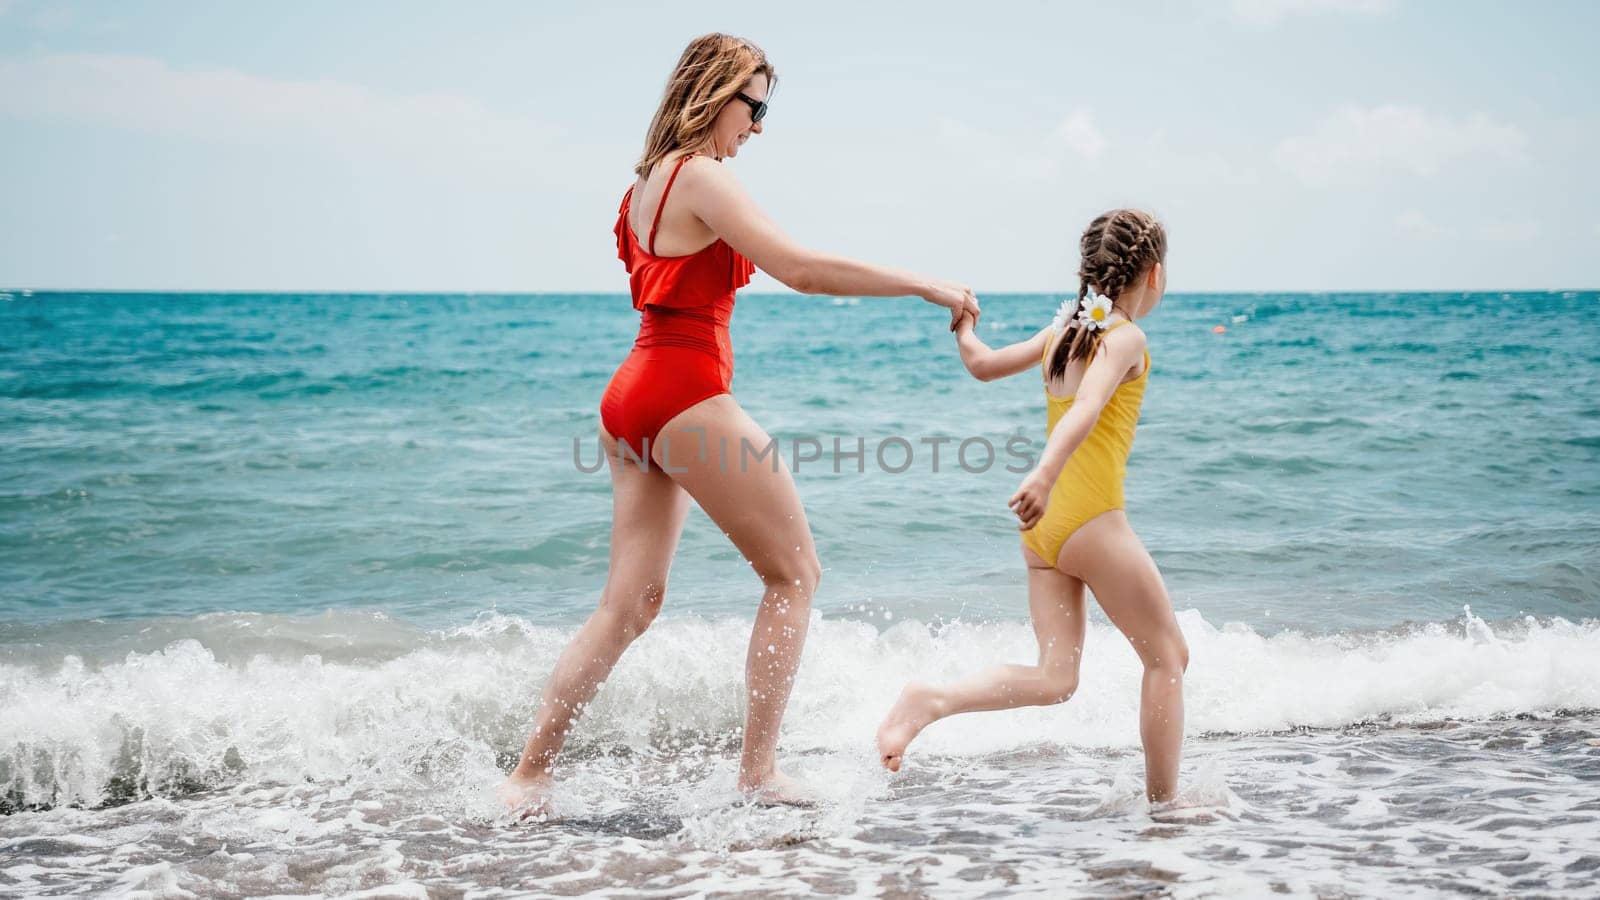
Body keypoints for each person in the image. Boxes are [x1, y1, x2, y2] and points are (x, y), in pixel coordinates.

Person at [501, 33, 980, 813]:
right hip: (684, 391)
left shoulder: (643, 188)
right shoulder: (702, 176)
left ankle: (529, 776)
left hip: (631, 398)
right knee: (794, 575)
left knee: (628, 607)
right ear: (714, 93)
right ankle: (758, 773)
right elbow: (803, 270)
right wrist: (923, 282)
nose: (756, 127)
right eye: (752, 107)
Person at [876, 209, 1189, 804]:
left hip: (1044, 535)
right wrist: (1044, 475)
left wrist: (965, 325)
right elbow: (1088, 408)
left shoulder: (1065, 333)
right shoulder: (1125, 338)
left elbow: (982, 365)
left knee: (1055, 678)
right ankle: (1165, 808)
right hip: (1093, 521)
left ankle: (931, 700)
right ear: (1152, 274)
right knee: (1168, 658)